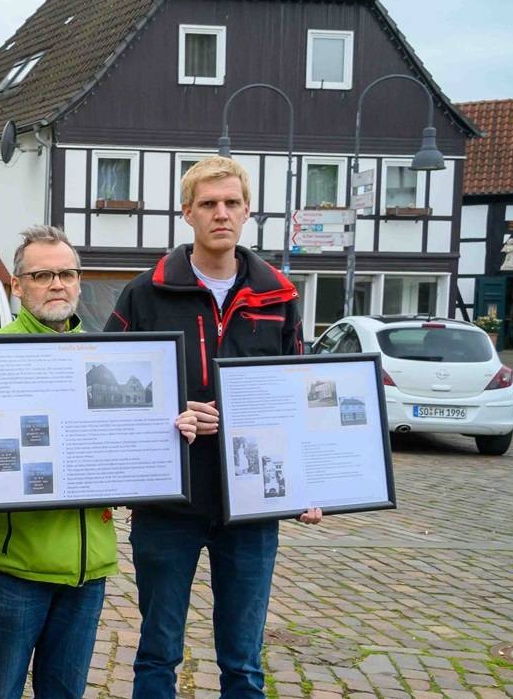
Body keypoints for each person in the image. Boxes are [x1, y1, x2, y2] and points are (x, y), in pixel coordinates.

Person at [0, 226, 198, 699]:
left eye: (67, 273)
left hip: (88, 569)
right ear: (17, 285)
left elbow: (124, 446)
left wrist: (168, 439)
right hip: (13, 568)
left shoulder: (104, 354)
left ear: (79, 281)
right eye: (42, 275)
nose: (57, 284)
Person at [106, 156, 320, 699]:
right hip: (168, 505)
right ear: (187, 213)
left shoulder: (280, 297)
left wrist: (309, 484)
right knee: (157, 652)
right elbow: (104, 397)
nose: (220, 213)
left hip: (251, 510)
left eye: (230, 203)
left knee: (244, 662)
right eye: (208, 204)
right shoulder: (144, 293)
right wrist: (169, 416)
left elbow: (298, 404)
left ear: (247, 211)